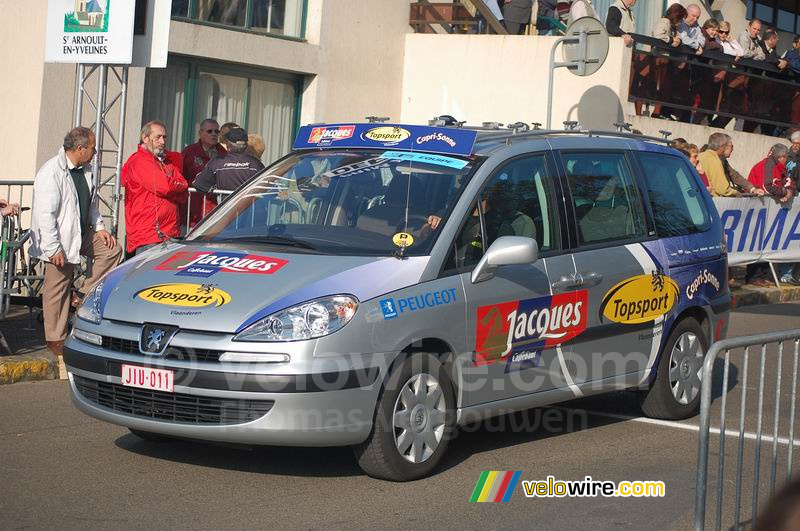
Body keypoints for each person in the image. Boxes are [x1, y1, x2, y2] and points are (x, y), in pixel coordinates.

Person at [30, 127, 122, 377]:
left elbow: (91, 204)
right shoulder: (52, 172)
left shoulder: (87, 170)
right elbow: (45, 214)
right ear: (80, 149)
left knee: (112, 251)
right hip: (59, 238)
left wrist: (100, 227)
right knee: (56, 288)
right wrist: (52, 248)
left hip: (80, 232)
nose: (96, 153)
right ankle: (55, 338)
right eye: (93, 148)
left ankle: (81, 294)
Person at [121, 121, 188, 259]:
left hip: (169, 233)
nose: (162, 141)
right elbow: (166, 187)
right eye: (157, 137)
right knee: (146, 277)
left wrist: (173, 189)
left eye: (164, 137)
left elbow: (183, 186)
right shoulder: (139, 161)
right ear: (145, 138)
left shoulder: (165, 161)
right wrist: (174, 189)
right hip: (149, 235)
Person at [747, 144, 796, 286]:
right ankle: (754, 275)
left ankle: (763, 274)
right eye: (786, 158)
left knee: (767, 242)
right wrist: (783, 192)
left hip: (769, 210)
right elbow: (767, 186)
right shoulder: (768, 165)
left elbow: (788, 182)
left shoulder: (779, 167)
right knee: (757, 241)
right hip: (759, 208)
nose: (787, 161)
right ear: (781, 157)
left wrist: (789, 192)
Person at [181, 118, 226, 228]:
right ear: (200, 133)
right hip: (192, 211)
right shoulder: (189, 152)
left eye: (217, 131)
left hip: (215, 211)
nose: (214, 134)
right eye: (210, 131)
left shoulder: (224, 153)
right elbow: (180, 177)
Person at [193, 127, 265, 194]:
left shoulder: (217, 162)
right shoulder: (256, 164)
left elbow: (199, 183)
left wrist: (214, 191)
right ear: (246, 145)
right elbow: (267, 186)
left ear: (228, 144)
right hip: (250, 206)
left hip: (227, 207)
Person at [698, 133, 763, 197]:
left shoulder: (700, 156)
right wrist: (736, 193)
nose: (732, 149)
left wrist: (752, 188)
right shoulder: (715, 160)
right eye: (731, 146)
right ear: (722, 146)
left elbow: (734, 175)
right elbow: (722, 189)